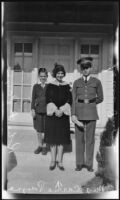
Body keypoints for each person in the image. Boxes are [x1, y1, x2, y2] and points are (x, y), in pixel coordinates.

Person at [71, 57, 104, 172]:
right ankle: (79, 163)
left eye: (87, 67)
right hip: (79, 114)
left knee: (90, 140)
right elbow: (73, 99)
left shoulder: (97, 82)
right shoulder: (76, 82)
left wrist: (91, 103)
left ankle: (89, 164)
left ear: (91, 68)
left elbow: (100, 98)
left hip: (91, 113)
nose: (85, 70)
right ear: (80, 69)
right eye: (83, 68)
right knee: (79, 140)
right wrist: (73, 114)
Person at [44, 63, 72, 170]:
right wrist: (55, 110)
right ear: (55, 74)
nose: (60, 75)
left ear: (63, 74)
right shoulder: (50, 85)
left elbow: (69, 100)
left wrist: (62, 110)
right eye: (58, 73)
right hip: (53, 115)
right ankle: (52, 160)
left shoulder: (67, 85)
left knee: (61, 138)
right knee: (53, 138)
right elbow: (48, 99)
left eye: (62, 73)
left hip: (63, 115)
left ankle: (59, 161)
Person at [31, 68, 48, 155]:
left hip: (47, 112)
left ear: (47, 76)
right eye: (41, 76)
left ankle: (45, 146)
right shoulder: (36, 86)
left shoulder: (49, 86)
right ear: (39, 77)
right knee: (38, 129)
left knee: (45, 129)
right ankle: (40, 145)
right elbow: (33, 99)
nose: (43, 78)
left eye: (44, 76)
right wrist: (32, 109)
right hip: (37, 111)